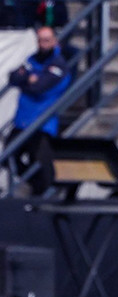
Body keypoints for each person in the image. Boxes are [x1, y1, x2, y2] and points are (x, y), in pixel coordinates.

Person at [6, 26, 69, 196]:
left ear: (54, 41)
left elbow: (40, 87)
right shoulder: (32, 59)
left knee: (41, 162)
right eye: (40, 40)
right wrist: (29, 78)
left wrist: (26, 80)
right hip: (23, 120)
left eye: (47, 40)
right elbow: (13, 77)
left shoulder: (58, 65)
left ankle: (45, 194)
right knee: (9, 156)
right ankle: (35, 186)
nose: (42, 44)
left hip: (42, 123)